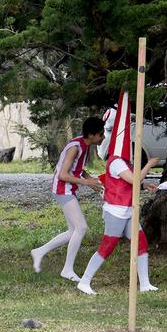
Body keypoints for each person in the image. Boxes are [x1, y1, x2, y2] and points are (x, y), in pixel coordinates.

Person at [76, 91, 160, 295]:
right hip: (116, 210)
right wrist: (149, 164)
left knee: (141, 242)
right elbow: (133, 179)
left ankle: (145, 283)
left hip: (128, 209)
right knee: (108, 245)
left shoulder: (122, 162)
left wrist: (145, 184)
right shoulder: (116, 162)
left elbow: (129, 183)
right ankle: (84, 281)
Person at [31, 117, 104, 282]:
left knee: (73, 231)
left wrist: (90, 179)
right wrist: (86, 182)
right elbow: (63, 175)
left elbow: (77, 169)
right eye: (101, 134)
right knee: (81, 228)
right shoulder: (75, 147)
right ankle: (67, 269)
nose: (103, 137)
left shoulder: (85, 145)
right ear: (91, 135)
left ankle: (39, 252)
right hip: (62, 189)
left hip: (68, 189)